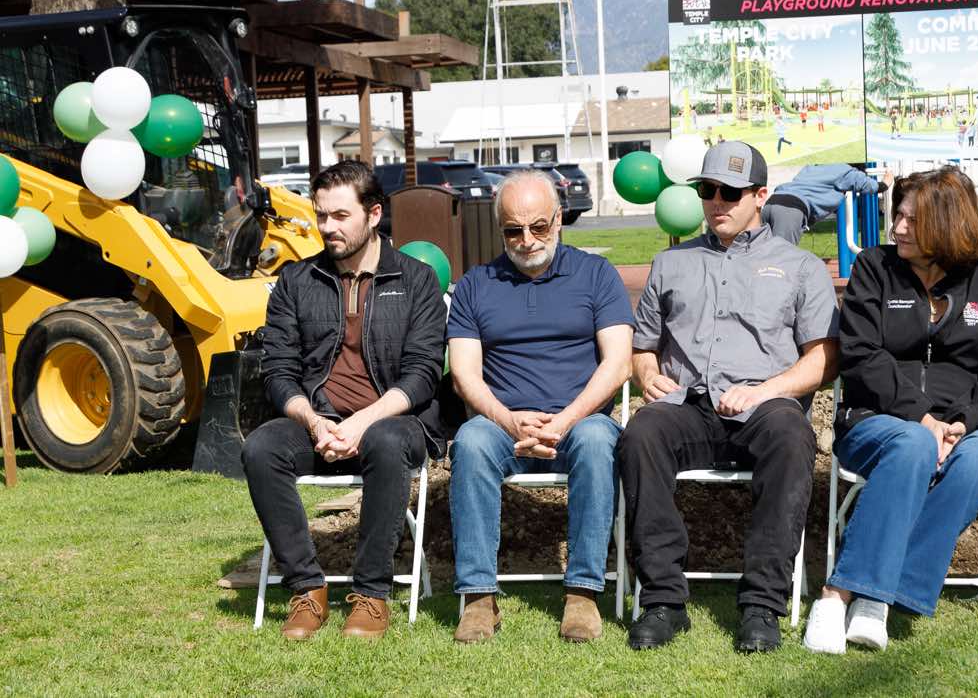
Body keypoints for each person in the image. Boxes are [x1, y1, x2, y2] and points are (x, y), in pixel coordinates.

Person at [619, 140, 839, 653]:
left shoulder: (800, 266)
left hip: (766, 406)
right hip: (688, 406)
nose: (717, 201)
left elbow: (824, 360)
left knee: (792, 436)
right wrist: (646, 373)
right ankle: (663, 601)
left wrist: (764, 391)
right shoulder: (670, 263)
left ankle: (762, 604)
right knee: (640, 434)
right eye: (708, 190)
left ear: (760, 195)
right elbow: (642, 346)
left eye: (730, 192)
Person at [802, 166, 978, 654]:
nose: (898, 228)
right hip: (874, 420)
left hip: (963, 425)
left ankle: (875, 593)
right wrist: (924, 419)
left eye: (913, 220)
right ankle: (837, 598)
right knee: (913, 442)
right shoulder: (873, 269)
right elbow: (861, 355)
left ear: (947, 226)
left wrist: (960, 423)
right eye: (898, 216)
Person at [242, 160, 446, 641]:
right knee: (261, 449)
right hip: (318, 422)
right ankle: (306, 589)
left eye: (340, 216)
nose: (328, 227)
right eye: (321, 215)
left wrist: (360, 424)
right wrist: (314, 421)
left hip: (395, 420)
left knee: (385, 441)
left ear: (373, 214)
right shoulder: (297, 281)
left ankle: (371, 594)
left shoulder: (415, 280)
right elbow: (278, 371)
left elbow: (423, 374)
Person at [447, 169, 634, 645]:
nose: (527, 240)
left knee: (597, 440)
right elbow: (465, 375)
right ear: (500, 229)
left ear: (559, 219)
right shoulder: (475, 285)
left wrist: (565, 420)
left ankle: (583, 593)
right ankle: (478, 597)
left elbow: (618, 364)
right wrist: (508, 420)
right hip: (502, 424)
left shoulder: (596, 275)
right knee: (470, 442)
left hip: (579, 420)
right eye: (513, 230)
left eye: (538, 226)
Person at [763, 163, 893, 246]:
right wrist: (885, 184)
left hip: (771, 202)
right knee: (782, 260)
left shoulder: (812, 168)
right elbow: (866, 185)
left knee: (759, 252)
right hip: (790, 210)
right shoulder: (847, 171)